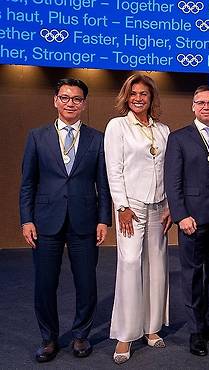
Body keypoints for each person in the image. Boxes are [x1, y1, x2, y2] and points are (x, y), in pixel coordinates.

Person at [19, 78, 112, 362]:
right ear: (55, 101)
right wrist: (26, 220)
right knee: (45, 283)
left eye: (76, 99)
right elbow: (28, 183)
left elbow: (103, 184)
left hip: (85, 221)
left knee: (86, 282)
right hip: (45, 221)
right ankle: (48, 338)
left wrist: (103, 219)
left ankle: (81, 335)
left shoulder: (97, 138)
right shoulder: (37, 136)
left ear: (84, 104)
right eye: (65, 97)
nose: (70, 103)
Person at [164, 85, 209, 356]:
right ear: (193, 107)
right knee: (193, 275)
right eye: (201, 103)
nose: (206, 107)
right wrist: (181, 215)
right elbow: (173, 182)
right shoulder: (179, 138)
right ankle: (196, 331)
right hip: (192, 220)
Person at [105, 74, 172, 364]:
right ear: (126, 96)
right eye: (133, 94)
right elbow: (114, 170)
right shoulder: (117, 126)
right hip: (131, 208)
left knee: (157, 267)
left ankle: (152, 328)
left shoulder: (163, 130)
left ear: (151, 97)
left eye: (144, 94)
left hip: (160, 207)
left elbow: (170, 171)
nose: (138, 98)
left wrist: (170, 204)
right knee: (131, 265)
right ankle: (125, 334)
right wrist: (122, 207)